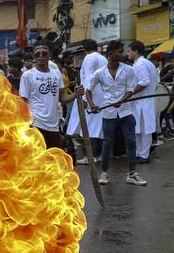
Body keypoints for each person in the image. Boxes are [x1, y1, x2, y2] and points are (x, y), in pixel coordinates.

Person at [86, 40, 146, 186]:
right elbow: (88, 90)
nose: (123, 54)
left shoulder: (128, 70)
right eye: (119, 52)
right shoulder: (99, 73)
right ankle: (104, 174)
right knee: (107, 144)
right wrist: (92, 105)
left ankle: (132, 174)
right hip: (108, 113)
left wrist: (122, 100)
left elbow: (131, 90)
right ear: (110, 54)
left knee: (131, 142)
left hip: (126, 112)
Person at [20, 44, 83, 150]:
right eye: (37, 54)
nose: (41, 56)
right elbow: (22, 101)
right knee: (38, 157)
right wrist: (25, 124)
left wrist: (76, 94)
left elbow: (62, 98)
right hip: (36, 123)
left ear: (49, 56)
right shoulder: (28, 75)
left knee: (53, 157)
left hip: (53, 124)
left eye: (44, 54)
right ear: (34, 58)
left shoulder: (56, 74)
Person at [67, 39, 106, 164]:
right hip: (102, 95)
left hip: (91, 96)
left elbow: (88, 79)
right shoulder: (103, 59)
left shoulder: (89, 58)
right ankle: (98, 154)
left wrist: (84, 98)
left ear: (84, 49)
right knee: (98, 126)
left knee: (89, 126)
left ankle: (91, 156)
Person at [127, 41, 159, 162]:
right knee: (139, 129)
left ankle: (144, 155)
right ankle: (139, 153)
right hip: (142, 101)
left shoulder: (140, 64)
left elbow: (144, 82)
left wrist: (130, 93)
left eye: (129, 51)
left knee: (144, 129)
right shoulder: (143, 63)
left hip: (143, 101)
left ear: (136, 51)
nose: (127, 53)